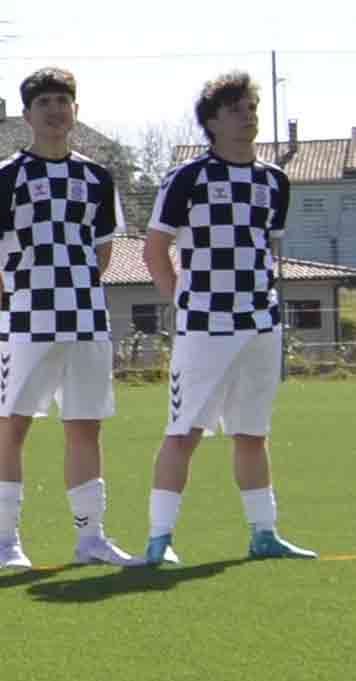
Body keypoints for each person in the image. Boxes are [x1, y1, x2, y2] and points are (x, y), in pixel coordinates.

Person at [138, 72, 314, 566]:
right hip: (204, 327)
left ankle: (264, 533)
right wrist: (185, 303)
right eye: (236, 110)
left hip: (260, 325)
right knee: (184, 432)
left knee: (252, 432)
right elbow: (155, 250)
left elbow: (266, 249)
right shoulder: (189, 178)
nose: (248, 117)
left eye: (252, 108)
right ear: (212, 122)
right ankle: (159, 539)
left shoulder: (274, 181)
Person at [0, 68, 139, 570]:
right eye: (43, 102)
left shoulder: (96, 177)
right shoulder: (6, 177)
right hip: (28, 322)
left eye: (62, 101)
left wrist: (76, 290)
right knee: (13, 426)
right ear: (26, 115)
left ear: (75, 111)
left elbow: (103, 251)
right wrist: (12, 306)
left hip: (86, 320)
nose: (54, 110)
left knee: (85, 428)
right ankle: (7, 543)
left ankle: (91, 540)